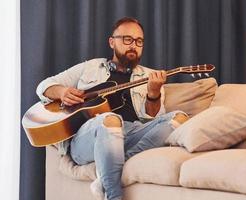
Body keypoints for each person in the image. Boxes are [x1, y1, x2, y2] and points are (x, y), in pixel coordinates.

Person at [36, 17, 189, 200]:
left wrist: (153, 94)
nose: (133, 45)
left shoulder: (151, 76)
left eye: (139, 41)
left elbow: (152, 122)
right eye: (127, 39)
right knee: (110, 119)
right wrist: (61, 92)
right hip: (88, 137)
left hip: (131, 133)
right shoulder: (90, 67)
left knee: (179, 118)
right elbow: (44, 86)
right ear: (111, 42)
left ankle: (110, 169)